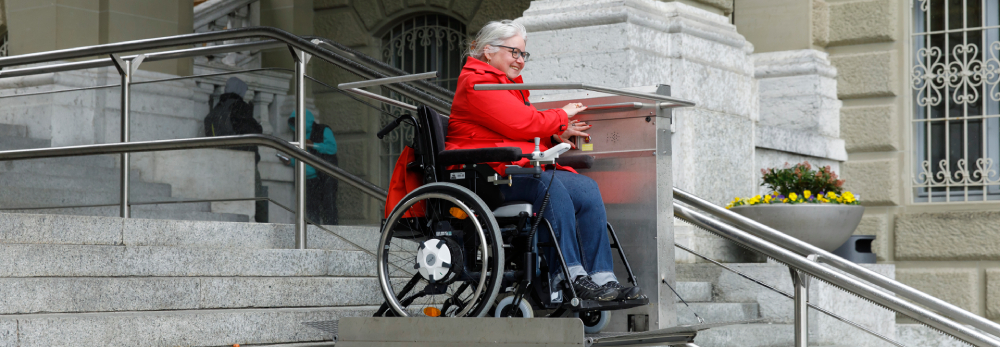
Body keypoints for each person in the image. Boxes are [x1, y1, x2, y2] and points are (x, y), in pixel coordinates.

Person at [446, 20, 642, 301]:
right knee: (550, 187)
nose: (519, 60)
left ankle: (602, 278)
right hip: (486, 174)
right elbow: (519, 123)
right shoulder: (477, 81)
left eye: (523, 54)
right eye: (514, 52)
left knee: (585, 188)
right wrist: (562, 115)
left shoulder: (504, 84)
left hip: (510, 167)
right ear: (488, 51)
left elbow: (511, 128)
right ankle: (569, 276)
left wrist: (554, 134)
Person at [204, 77, 268, 223]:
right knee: (257, 198)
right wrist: (258, 126)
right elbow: (253, 131)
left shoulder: (216, 110)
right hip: (244, 160)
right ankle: (265, 229)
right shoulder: (240, 107)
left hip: (222, 162)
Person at [279, 109, 339, 225]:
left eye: (299, 121)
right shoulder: (297, 136)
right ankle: (311, 235)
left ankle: (332, 232)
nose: (298, 125)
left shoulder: (323, 130)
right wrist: (290, 162)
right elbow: (302, 158)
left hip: (324, 176)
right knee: (311, 210)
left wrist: (313, 144)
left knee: (329, 206)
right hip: (307, 180)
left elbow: (332, 148)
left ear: (306, 120)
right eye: (295, 123)